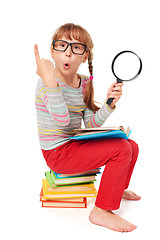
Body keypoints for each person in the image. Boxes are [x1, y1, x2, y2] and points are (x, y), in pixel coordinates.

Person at [34, 23, 141, 233]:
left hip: (74, 145)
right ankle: (101, 210)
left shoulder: (84, 83)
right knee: (121, 148)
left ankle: (116, 188)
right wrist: (49, 80)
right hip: (58, 154)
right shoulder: (46, 84)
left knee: (131, 146)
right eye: (62, 45)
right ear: (52, 52)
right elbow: (63, 121)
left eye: (76, 48)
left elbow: (90, 125)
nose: (68, 53)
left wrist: (109, 104)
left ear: (84, 57)